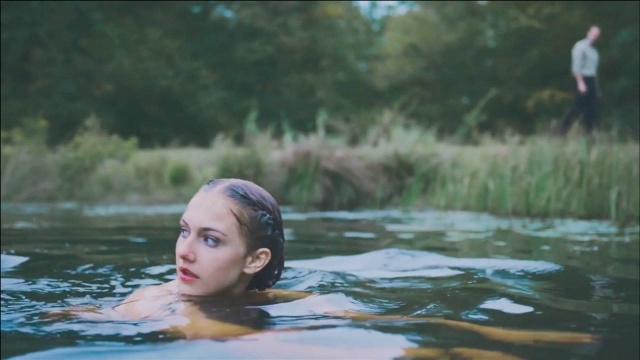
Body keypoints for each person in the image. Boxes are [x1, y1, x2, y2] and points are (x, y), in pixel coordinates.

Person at [51, 178, 598, 358]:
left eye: (210, 239)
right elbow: (263, 345)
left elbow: (367, 318)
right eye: (184, 230)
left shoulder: (266, 301)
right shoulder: (157, 302)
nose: (185, 251)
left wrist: (479, 334)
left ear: (255, 261)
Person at [561, 25, 601, 135]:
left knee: (592, 109)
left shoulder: (594, 52)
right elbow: (576, 66)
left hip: (591, 80)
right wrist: (580, 83)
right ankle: (562, 131)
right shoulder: (580, 47)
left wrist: (596, 88)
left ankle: (588, 133)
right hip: (582, 79)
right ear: (588, 33)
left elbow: (594, 71)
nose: (595, 37)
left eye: (597, 35)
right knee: (577, 107)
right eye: (593, 34)